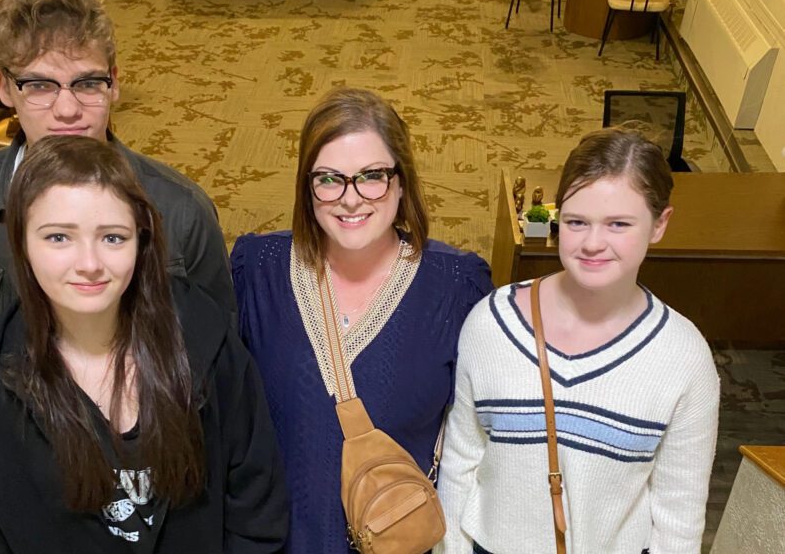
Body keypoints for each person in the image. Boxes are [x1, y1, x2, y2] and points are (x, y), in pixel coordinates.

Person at [0, 135, 288, 553]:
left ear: (141, 240)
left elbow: (257, 505)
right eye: (59, 237)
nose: (90, 263)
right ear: (22, 242)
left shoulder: (205, 340)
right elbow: (15, 535)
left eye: (113, 237)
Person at [0, 0, 234, 396]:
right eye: (39, 85)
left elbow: (217, 359)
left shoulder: (182, 211)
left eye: (88, 83)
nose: (68, 110)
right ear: (3, 86)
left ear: (114, 82)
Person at [231, 87, 493, 552]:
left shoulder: (455, 287)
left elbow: (470, 446)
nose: (350, 199)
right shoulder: (257, 272)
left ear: (402, 181)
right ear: (306, 185)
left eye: (371, 176)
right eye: (329, 179)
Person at [437, 127, 720, 554]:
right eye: (575, 222)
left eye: (618, 224)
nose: (592, 243)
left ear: (659, 225)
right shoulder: (490, 323)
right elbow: (460, 460)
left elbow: (678, 512)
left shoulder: (683, 358)